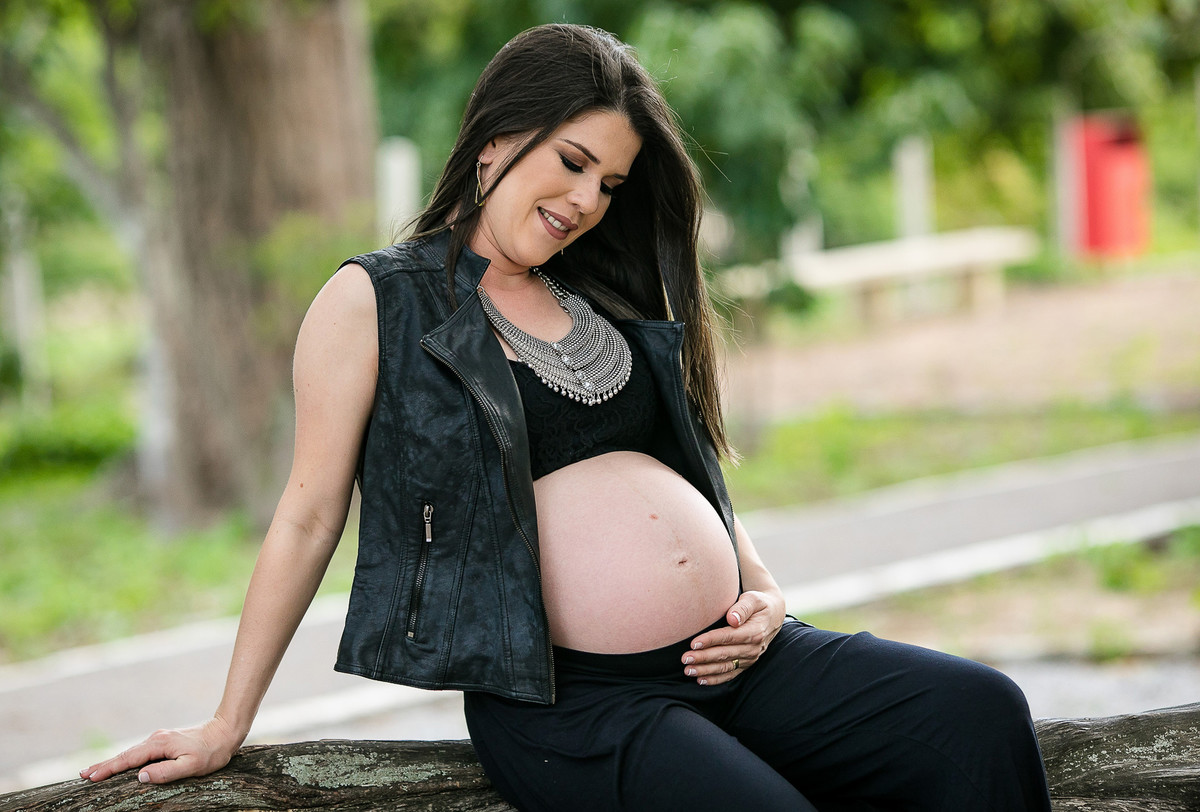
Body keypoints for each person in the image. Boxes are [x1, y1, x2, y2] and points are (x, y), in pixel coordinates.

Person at [82, 23, 1052, 811]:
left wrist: (762, 589)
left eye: (611, 184)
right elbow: (305, 514)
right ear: (499, 137)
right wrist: (227, 718)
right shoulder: (376, 299)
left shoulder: (596, 295)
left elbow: (683, 463)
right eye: (574, 162)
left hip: (733, 655)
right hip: (569, 702)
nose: (588, 200)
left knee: (976, 713)